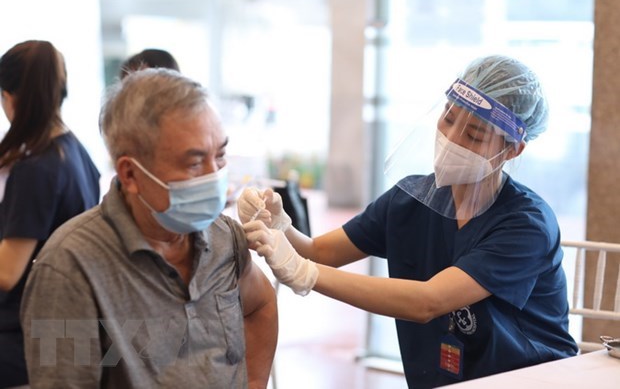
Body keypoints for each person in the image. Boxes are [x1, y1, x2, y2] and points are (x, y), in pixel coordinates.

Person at [238, 55, 579, 388]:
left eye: (473, 135)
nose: (453, 139)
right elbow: (319, 252)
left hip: (530, 380)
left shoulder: (525, 224)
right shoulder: (411, 199)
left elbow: (428, 301)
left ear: (512, 150)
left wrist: (303, 273)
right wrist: (279, 227)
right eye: (448, 118)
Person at [20, 68, 277, 388]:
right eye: (195, 162)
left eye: (220, 155)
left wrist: (253, 382)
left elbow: (261, 304)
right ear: (130, 174)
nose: (215, 177)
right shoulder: (70, 269)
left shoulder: (224, 237)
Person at [0, 40, 101, 388]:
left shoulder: (36, 168)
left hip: (30, 338)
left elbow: (7, 272)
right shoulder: (74, 152)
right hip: (67, 326)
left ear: (10, 97)